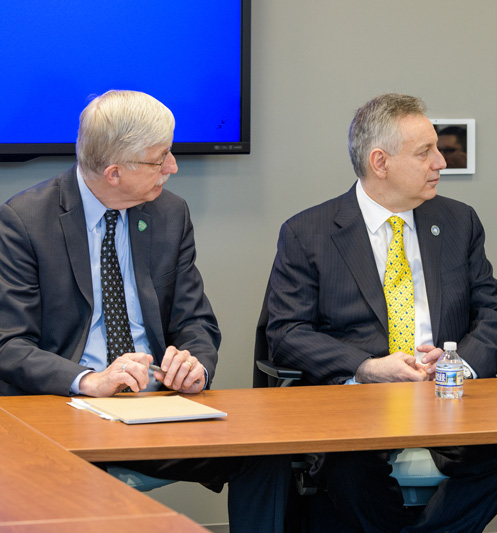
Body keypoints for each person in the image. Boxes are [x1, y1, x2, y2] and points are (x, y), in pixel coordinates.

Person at [0, 90, 290, 532]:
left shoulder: (169, 214)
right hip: (67, 411)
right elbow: (9, 344)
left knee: (267, 455)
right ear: (114, 172)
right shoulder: (24, 220)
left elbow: (195, 320)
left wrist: (195, 364)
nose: (173, 167)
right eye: (160, 159)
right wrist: (89, 381)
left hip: (157, 409)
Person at [257, 93, 497, 532]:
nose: (441, 162)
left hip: (446, 400)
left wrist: (460, 366)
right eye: (426, 152)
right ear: (379, 162)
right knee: (348, 472)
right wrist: (365, 367)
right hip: (357, 406)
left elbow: (495, 317)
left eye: (438, 149)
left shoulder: (459, 222)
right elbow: (285, 333)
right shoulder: (309, 233)